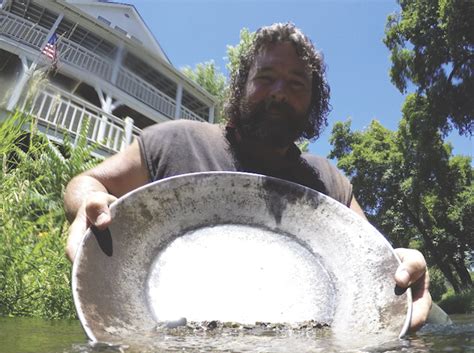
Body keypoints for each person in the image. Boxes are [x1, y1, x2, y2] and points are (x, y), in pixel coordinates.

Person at [64, 22, 431, 330]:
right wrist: (86, 204)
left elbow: (371, 264)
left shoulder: (329, 183)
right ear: (241, 87)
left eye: (296, 84)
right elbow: (87, 183)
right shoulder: (176, 142)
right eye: (266, 78)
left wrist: (406, 273)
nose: (279, 94)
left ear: (314, 102)